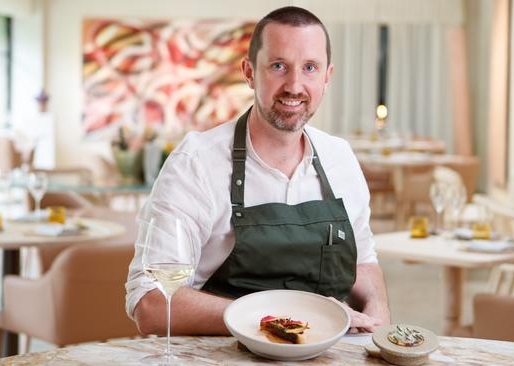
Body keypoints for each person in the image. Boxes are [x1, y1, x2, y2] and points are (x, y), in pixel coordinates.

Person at [126, 6, 391, 335]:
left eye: (310, 68)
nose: (294, 85)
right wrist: (290, 318)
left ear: (327, 77)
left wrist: (378, 310)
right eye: (278, 66)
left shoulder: (340, 158)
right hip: (223, 355)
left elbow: (363, 260)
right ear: (250, 72)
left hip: (330, 352)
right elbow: (152, 303)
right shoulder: (196, 162)